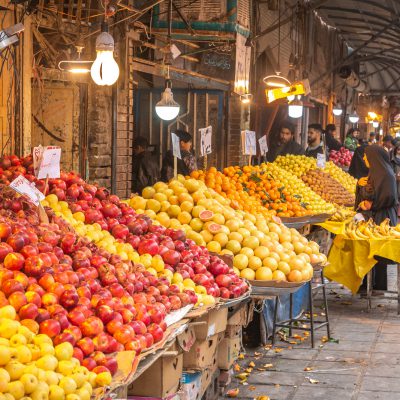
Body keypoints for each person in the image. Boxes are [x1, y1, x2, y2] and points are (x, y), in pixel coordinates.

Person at [356, 145, 398, 292]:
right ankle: (367, 284)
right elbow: (368, 194)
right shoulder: (373, 173)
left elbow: (390, 197)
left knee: (381, 253)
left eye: (366, 156)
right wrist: (359, 185)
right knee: (370, 251)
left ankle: (381, 286)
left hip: (383, 217)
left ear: (374, 157)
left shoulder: (387, 175)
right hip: (374, 216)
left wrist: (370, 205)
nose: (364, 158)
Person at [391, 142, 400, 216]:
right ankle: (396, 211)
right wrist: (394, 175)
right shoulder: (392, 159)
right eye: (398, 149)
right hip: (395, 180)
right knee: (396, 194)